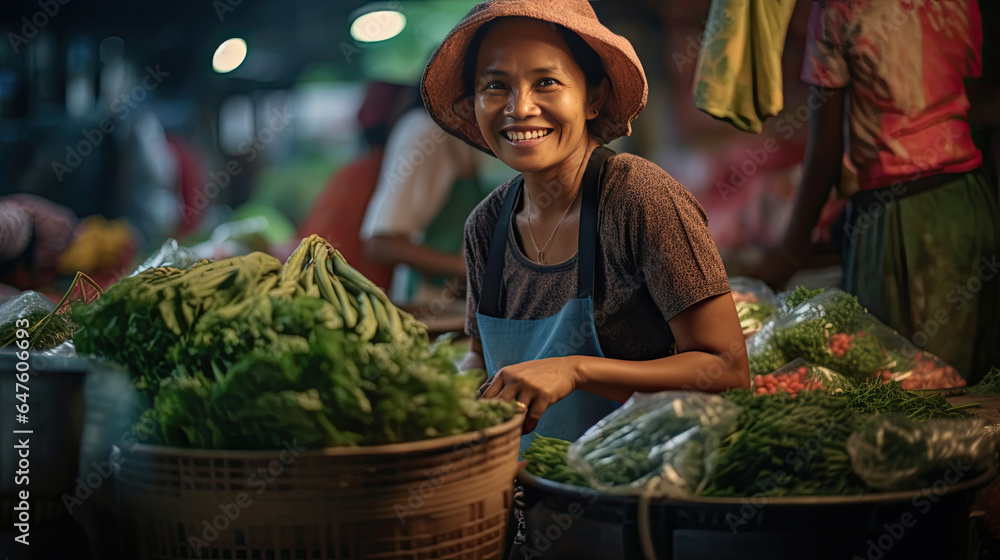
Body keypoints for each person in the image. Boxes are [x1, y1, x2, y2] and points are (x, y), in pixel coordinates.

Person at [420, 0, 750, 451]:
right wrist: (444, 401)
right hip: (520, 499)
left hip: (632, 495)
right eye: (495, 85)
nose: (519, 107)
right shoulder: (486, 224)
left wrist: (576, 370)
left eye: (547, 82)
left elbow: (728, 371)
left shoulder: (640, 198)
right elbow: (480, 357)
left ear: (593, 97)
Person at [754, 0, 998, 383]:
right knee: (965, 388)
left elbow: (825, 156)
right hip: (968, 203)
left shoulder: (837, 10)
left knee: (899, 384)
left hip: (896, 221)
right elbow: (978, 91)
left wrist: (786, 257)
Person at [359, 98, 491, 305]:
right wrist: (476, 270)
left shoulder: (463, 133)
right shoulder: (430, 133)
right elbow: (382, 244)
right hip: (431, 306)